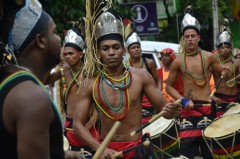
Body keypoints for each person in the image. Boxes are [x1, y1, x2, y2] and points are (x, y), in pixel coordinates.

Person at [73, 1, 182, 159]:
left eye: (116, 47)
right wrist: (99, 148)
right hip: (107, 152)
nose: (111, 52)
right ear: (98, 52)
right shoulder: (90, 83)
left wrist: (172, 111)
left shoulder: (141, 76)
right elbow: (77, 125)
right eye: (105, 48)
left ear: (123, 50)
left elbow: (164, 109)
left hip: (136, 149)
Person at [0, 0, 83, 158]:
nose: (60, 40)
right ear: (41, 41)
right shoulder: (32, 98)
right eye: (54, 32)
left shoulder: (10, 80)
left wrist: (61, 155)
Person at [166, 11, 231, 158]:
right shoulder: (177, 60)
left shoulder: (209, 57)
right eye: (187, 37)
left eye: (193, 36)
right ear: (183, 38)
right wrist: (183, 100)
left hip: (207, 110)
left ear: (198, 38)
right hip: (188, 110)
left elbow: (223, 76)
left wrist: (226, 75)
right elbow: (169, 86)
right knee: (186, 154)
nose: (190, 39)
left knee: (209, 153)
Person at [45, 26, 99, 153]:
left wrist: (89, 125)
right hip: (70, 126)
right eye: (65, 54)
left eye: (71, 53)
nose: (68, 57)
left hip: (89, 125)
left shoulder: (90, 73)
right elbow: (45, 80)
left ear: (80, 54)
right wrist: (52, 63)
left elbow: (97, 104)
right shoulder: (64, 71)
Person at [125, 25, 162, 124]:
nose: (136, 49)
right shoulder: (125, 66)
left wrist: (157, 95)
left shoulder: (149, 63)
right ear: (128, 51)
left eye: (138, 47)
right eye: (133, 47)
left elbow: (158, 80)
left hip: (150, 104)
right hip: (133, 105)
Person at [213, 27, 240, 117]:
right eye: (222, 47)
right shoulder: (213, 64)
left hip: (235, 98)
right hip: (220, 99)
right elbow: (205, 83)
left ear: (231, 48)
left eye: (227, 47)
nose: (225, 49)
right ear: (218, 49)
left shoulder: (237, 62)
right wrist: (212, 97)